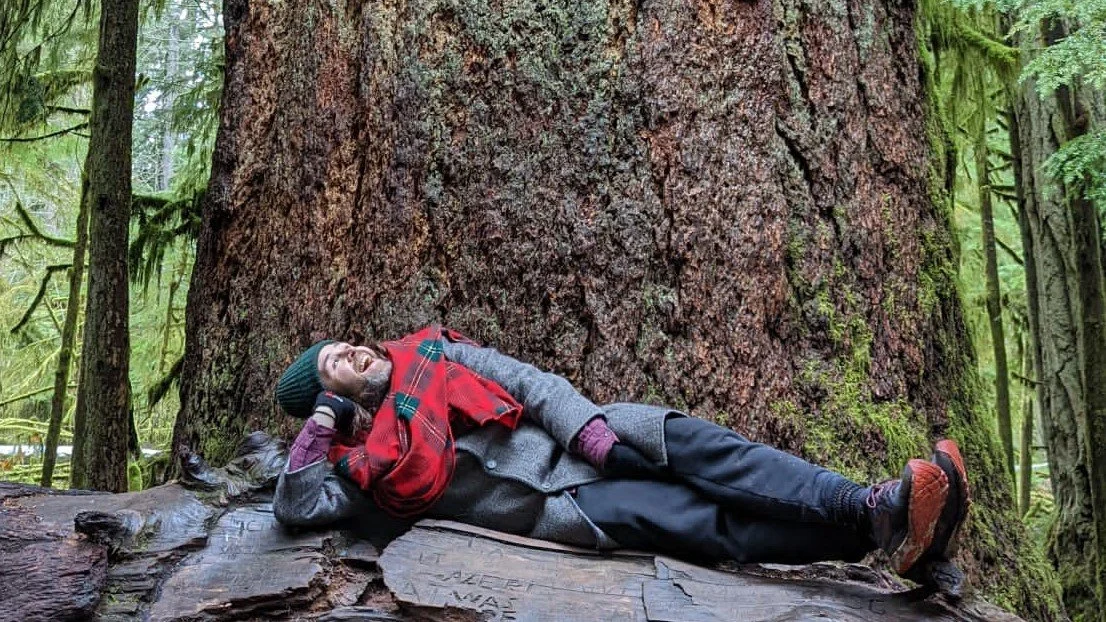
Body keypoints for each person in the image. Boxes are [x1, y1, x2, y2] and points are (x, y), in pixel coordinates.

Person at [272, 325, 969, 580]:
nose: (352, 352)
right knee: (709, 523)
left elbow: (529, 383)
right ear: (329, 401)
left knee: (724, 456)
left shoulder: (433, 351)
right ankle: (883, 532)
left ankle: (871, 505)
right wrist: (331, 413)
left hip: (599, 436)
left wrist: (592, 435)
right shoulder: (363, 470)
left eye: (345, 343)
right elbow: (296, 502)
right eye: (334, 363)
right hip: (567, 506)